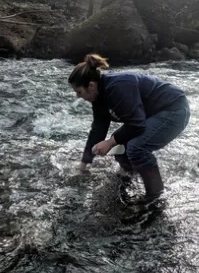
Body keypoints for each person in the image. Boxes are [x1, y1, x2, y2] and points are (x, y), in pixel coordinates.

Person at [69, 53, 190, 205]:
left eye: (79, 91)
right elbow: (98, 129)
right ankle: (128, 172)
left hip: (174, 109)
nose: (78, 96)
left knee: (135, 147)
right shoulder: (99, 98)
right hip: (154, 113)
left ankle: (155, 197)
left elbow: (136, 124)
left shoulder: (118, 86)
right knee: (121, 145)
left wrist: (110, 142)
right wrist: (85, 162)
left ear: (91, 85)